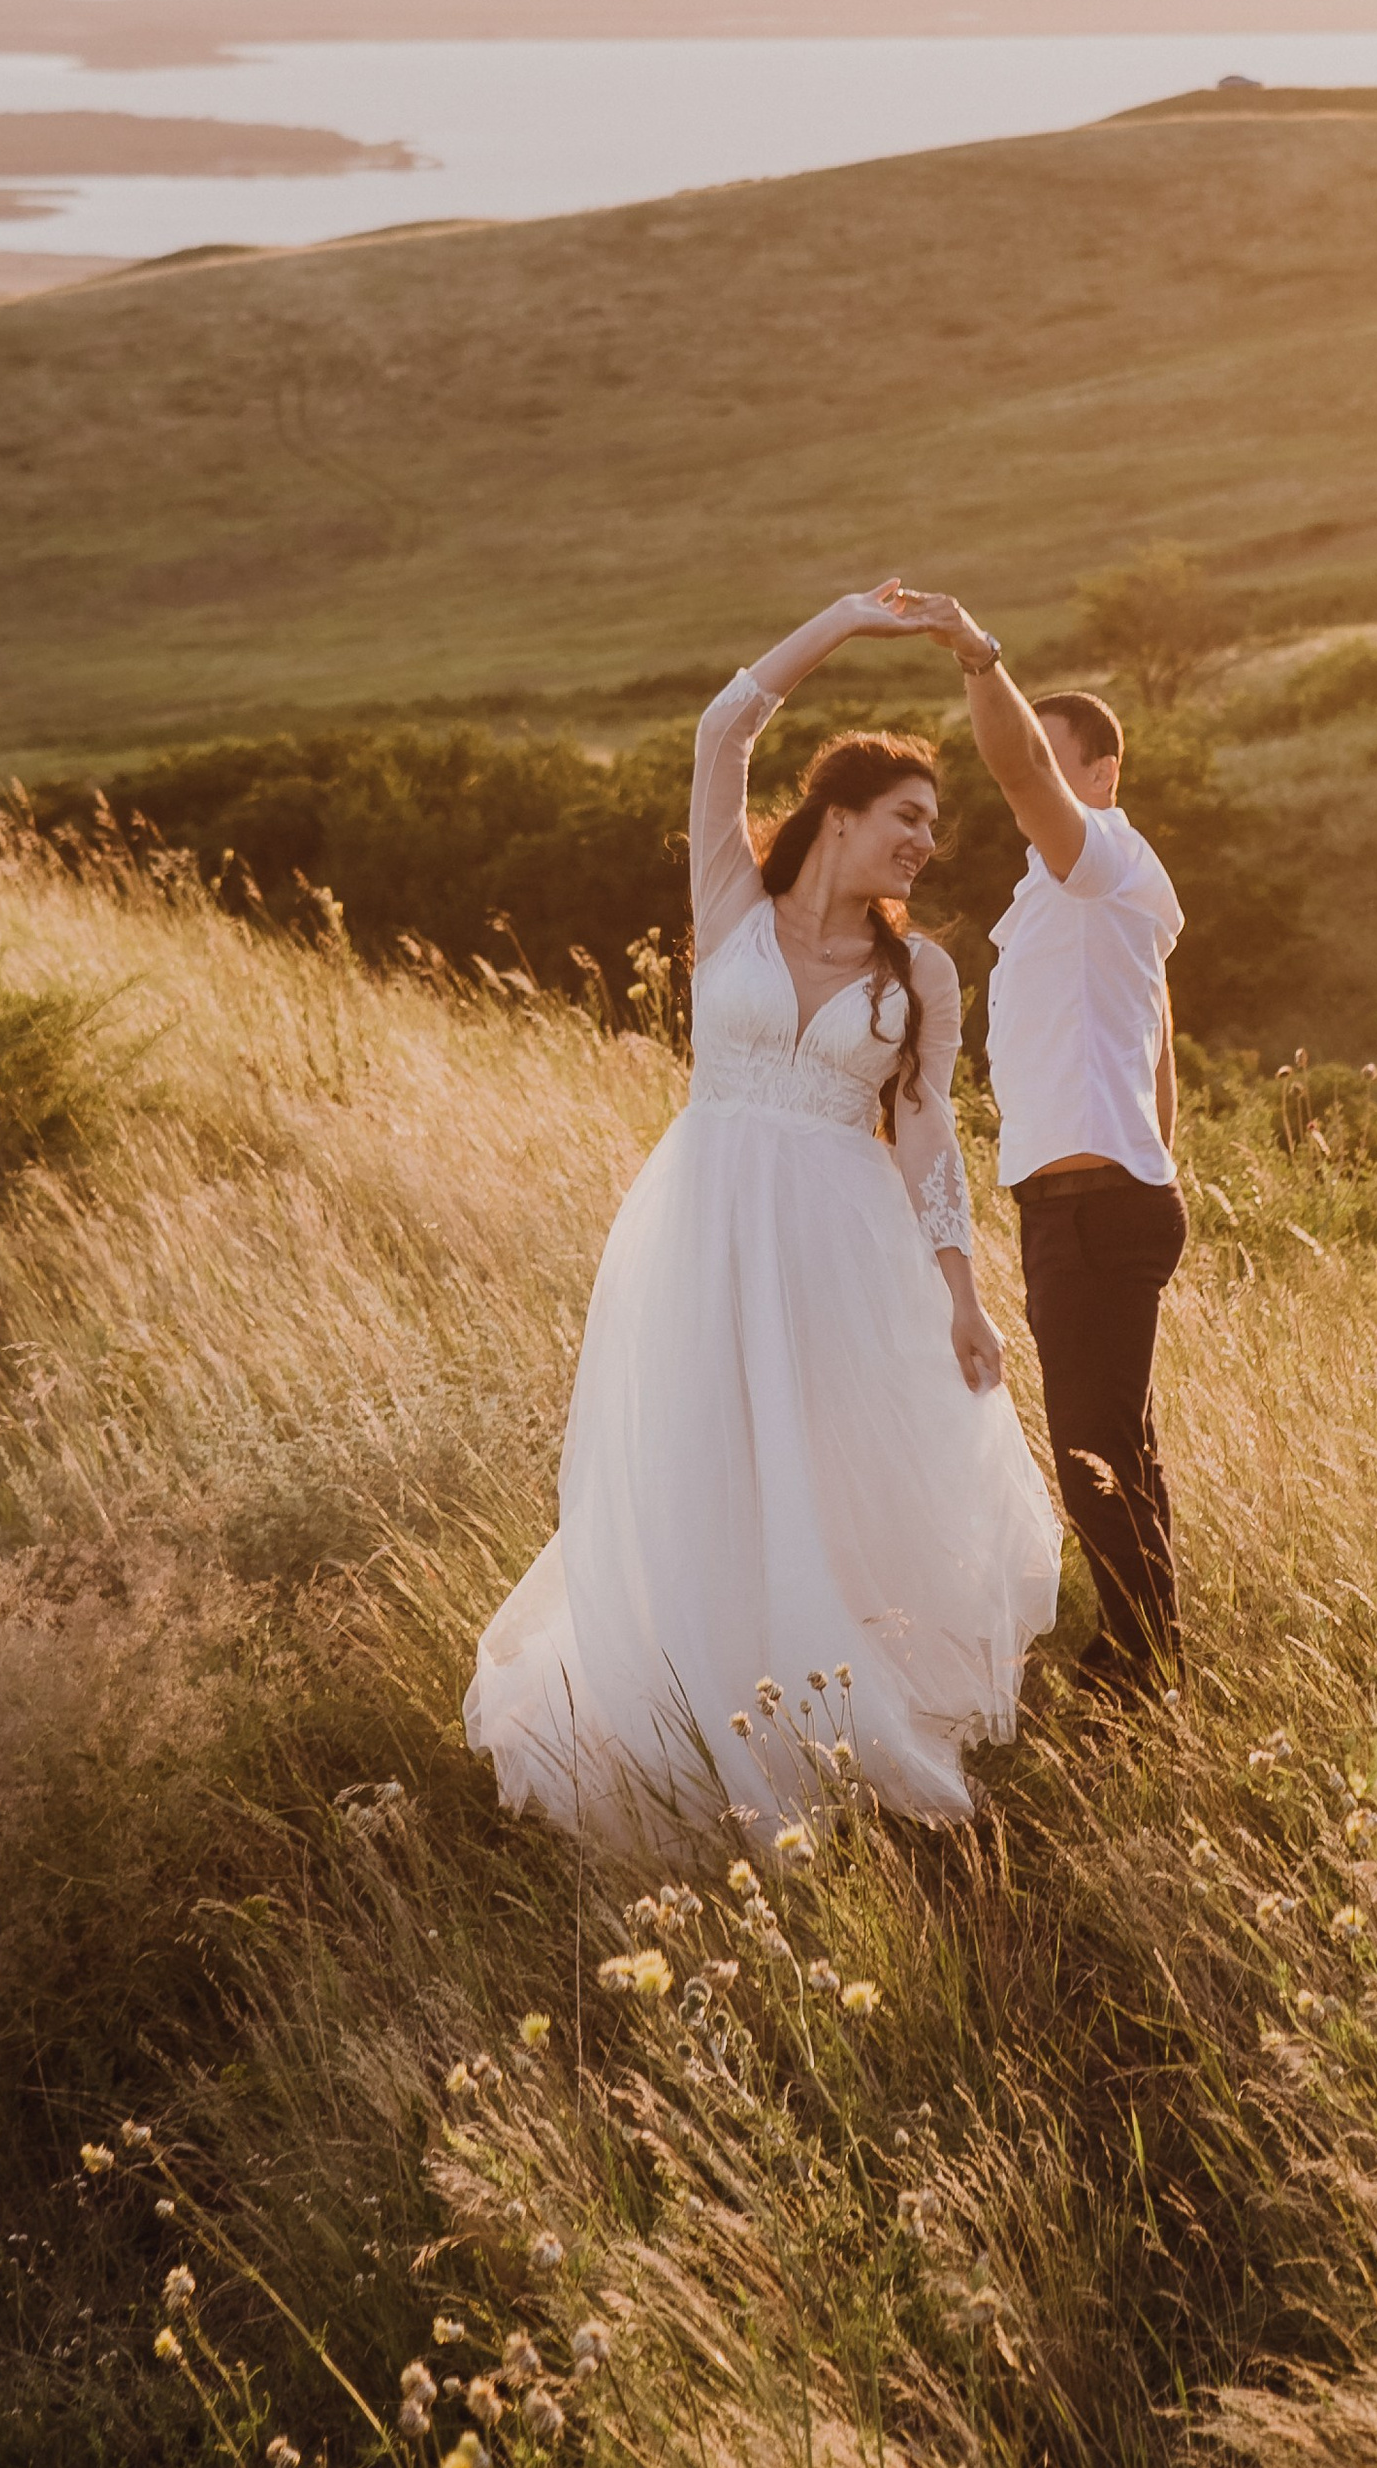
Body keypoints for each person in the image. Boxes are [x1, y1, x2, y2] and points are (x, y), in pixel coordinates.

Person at [465, 586, 1061, 1843]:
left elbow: (925, 1135)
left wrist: (963, 1294)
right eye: (906, 819)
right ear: (836, 820)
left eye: (933, 828)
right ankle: (686, 1723)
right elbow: (721, 733)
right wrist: (844, 622)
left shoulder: (923, 975)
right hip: (703, 1228)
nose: (923, 844)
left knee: (827, 1483)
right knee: (702, 1465)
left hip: (844, 1254)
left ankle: (829, 1731)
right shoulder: (729, 904)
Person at [889, 592, 1188, 1704]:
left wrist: (977, 657)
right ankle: (1142, 1654)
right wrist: (1158, 1165)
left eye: (1063, 771)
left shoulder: (1097, 851)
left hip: (1095, 1205)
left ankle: (1142, 1671)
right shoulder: (1074, 893)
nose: (1039, 790)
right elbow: (1162, 1031)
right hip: (1091, 1201)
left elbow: (1019, 771)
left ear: (1100, 777)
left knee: (1089, 1450)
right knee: (1119, 1443)